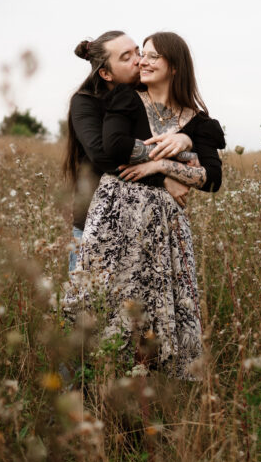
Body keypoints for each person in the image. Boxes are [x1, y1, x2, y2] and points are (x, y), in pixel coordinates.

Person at [63, 31, 225, 379]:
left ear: (175, 66)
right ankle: (70, 406)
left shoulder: (188, 117)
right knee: (88, 319)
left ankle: (141, 408)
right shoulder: (95, 102)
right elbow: (109, 151)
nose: (140, 60)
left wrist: (180, 144)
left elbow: (211, 174)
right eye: (131, 56)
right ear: (105, 73)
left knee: (149, 324)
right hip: (99, 222)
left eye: (143, 53)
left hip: (159, 233)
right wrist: (170, 170)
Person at [62, 30, 194, 273]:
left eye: (138, 52)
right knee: (88, 308)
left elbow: (198, 137)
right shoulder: (85, 102)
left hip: (145, 227)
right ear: (105, 73)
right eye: (126, 57)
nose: (139, 60)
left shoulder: (148, 98)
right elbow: (103, 154)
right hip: (94, 224)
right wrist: (164, 177)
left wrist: (185, 140)